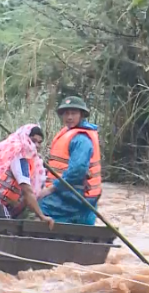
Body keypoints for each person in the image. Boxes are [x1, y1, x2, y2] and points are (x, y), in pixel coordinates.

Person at [36, 96, 102, 225]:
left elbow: (78, 170)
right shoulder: (69, 133)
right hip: (76, 194)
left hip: (75, 196)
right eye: (66, 113)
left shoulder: (81, 139)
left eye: (73, 113)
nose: (69, 117)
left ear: (81, 115)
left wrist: (51, 189)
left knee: (39, 206)